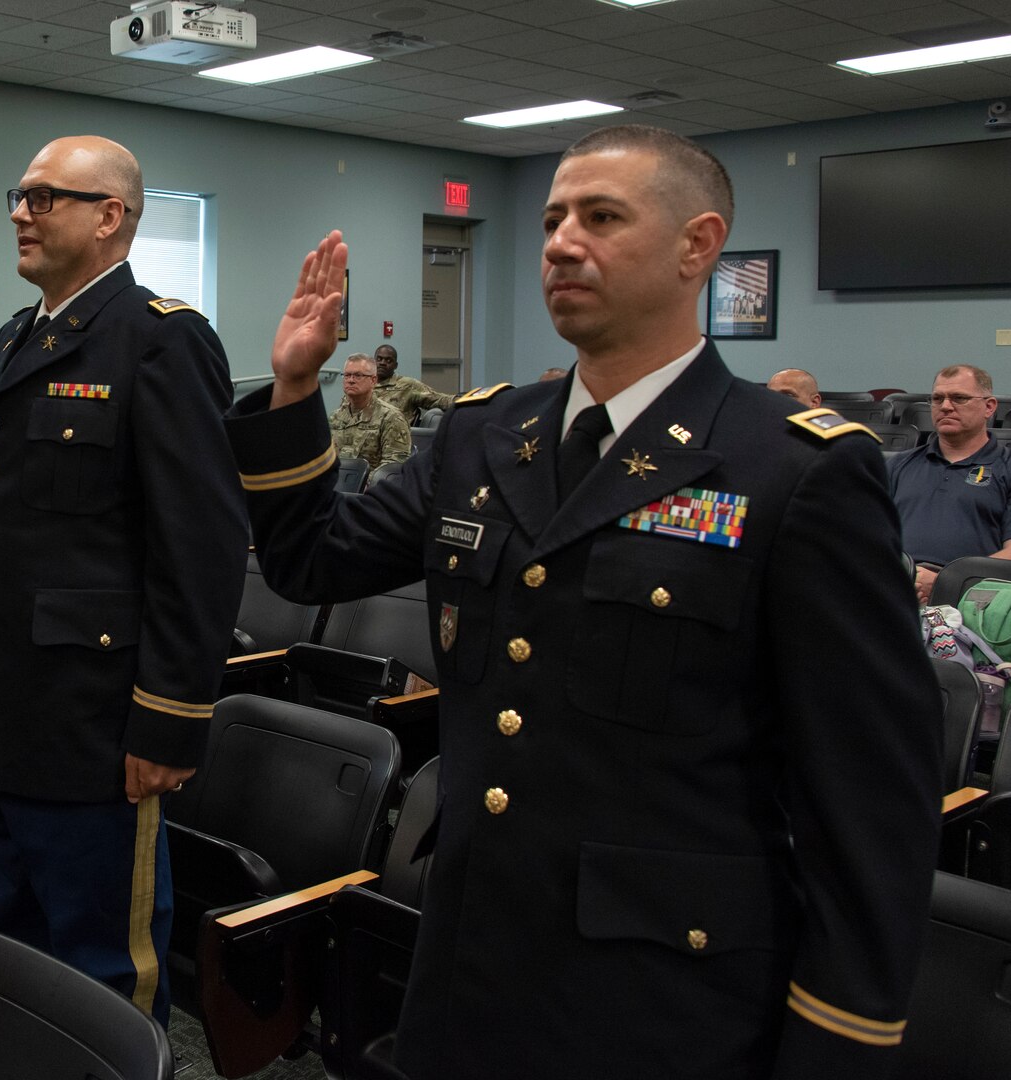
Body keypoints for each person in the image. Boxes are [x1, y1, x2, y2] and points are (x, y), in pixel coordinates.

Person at [228, 125, 941, 1078]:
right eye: (554, 218)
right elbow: (310, 563)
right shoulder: (484, 435)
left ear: (698, 245)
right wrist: (293, 385)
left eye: (601, 217)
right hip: (470, 956)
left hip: (658, 1000)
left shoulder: (795, 469)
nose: (561, 241)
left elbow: (869, 794)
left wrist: (836, 1043)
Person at [0, 135, 246, 1026]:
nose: (18, 212)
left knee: (101, 974)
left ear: (108, 216)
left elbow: (204, 545)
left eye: (43, 198)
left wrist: (170, 722)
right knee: (9, 953)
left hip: (92, 725)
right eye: (20, 195)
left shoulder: (162, 340)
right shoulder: (22, 333)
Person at [886, 364, 1011, 603]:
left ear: (989, 407)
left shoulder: (1006, 467)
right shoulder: (898, 465)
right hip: (896, 589)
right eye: (937, 398)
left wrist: (948, 581)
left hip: (975, 598)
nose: (945, 406)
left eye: (959, 398)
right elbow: (867, 536)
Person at [329, 352, 411, 472]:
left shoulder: (391, 417)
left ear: (373, 380)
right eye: (347, 375)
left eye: (358, 375)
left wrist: (362, 484)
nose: (351, 380)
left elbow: (393, 467)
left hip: (371, 487)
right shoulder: (335, 417)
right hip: (336, 484)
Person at [372, 342, 453, 422]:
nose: (382, 363)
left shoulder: (407, 385)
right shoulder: (364, 382)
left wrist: (463, 400)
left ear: (395, 365)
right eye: (379, 359)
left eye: (388, 360)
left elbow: (438, 399)